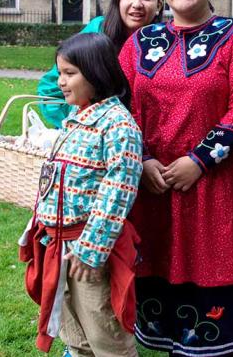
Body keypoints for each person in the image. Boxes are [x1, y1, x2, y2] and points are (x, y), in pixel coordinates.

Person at [118, 0, 233, 356]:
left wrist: (199, 160)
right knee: (160, 279)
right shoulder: (139, 43)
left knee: (218, 294)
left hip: (215, 191)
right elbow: (122, 106)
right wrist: (144, 159)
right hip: (154, 191)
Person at [19, 32, 143, 356]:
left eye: (69, 73)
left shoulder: (117, 124)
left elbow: (119, 190)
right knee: (74, 332)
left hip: (87, 252)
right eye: (59, 72)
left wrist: (91, 249)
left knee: (105, 334)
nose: (61, 81)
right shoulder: (76, 117)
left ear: (98, 72)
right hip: (57, 244)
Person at [37, 0, 164, 127]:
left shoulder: (167, 44)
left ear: (159, 5)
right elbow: (51, 87)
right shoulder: (98, 31)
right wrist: (77, 124)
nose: (137, 4)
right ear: (118, 1)